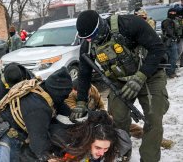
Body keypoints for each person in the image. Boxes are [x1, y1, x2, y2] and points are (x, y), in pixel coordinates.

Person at [71, 10, 169, 162]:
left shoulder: (129, 24)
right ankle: (121, 153)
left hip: (150, 75)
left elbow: (157, 48)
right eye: (85, 38)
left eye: (91, 36)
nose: (89, 41)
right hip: (120, 80)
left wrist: (141, 76)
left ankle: (149, 159)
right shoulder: (88, 46)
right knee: (117, 118)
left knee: (153, 118)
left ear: (101, 26)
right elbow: (84, 74)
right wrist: (81, 102)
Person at [0, 67, 73, 162]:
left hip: (18, 130)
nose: (66, 97)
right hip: (4, 133)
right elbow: (38, 144)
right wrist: (48, 158)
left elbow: (66, 112)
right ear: (58, 93)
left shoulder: (44, 89)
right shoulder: (38, 107)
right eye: (64, 95)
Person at [162, 8, 180, 78]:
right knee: (173, 57)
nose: (173, 14)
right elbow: (168, 31)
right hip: (169, 41)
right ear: (169, 13)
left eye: (174, 12)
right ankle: (170, 73)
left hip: (171, 41)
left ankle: (171, 72)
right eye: (172, 12)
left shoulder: (172, 20)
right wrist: (174, 37)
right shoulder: (167, 21)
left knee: (172, 57)